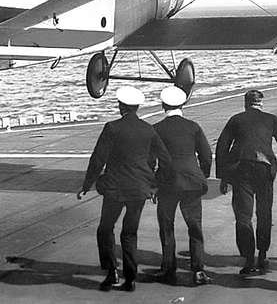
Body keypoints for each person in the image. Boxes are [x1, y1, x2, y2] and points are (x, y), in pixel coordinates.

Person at [77, 86, 172, 292]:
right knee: (129, 233)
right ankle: (130, 278)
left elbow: (98, 159)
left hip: (114, 188)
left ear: (121, 107)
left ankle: (111, 272)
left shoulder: (112, 128)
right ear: (137, 107)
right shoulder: (149, 129)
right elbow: (165, 159)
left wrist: (87, 184)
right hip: (139, 189)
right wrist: (155, 185)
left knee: (105, 228)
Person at [215, 89, 277, 275]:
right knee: (264, 212)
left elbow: (222, 147)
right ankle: (263, 253)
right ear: (261, 103)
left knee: (243, 215)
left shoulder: (236, 119)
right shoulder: (271, 119)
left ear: (245, 104)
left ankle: (248, 258)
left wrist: (223, 177)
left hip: (241, 169)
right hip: (264, 169)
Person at [152, 86, 212, 286]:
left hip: (167, 184)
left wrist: (152, 185)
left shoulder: (156, 128)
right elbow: (206, 155)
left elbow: (150, 161)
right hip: (192, 182)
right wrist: (203, 175)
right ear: (183, 104)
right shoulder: (193, 127)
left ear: (163, 105)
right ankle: (198, 270)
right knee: (195, 226)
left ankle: (168, 269)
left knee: (166, 227)